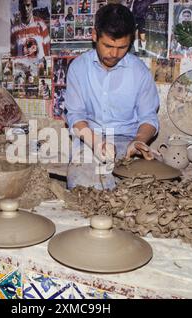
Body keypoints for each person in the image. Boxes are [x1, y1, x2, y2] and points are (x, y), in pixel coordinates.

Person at [64, 3, 160, 190]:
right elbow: (75, 116)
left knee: (147, 188)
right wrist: (97, 142)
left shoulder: (140, 72)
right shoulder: (78, 68)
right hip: (91, 140)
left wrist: (139, 140)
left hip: (128, 141)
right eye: (108, 45)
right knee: (85, 186)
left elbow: (149, 117)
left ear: (130, 41)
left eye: (122, 47)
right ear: (94, 35)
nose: (114, 54)